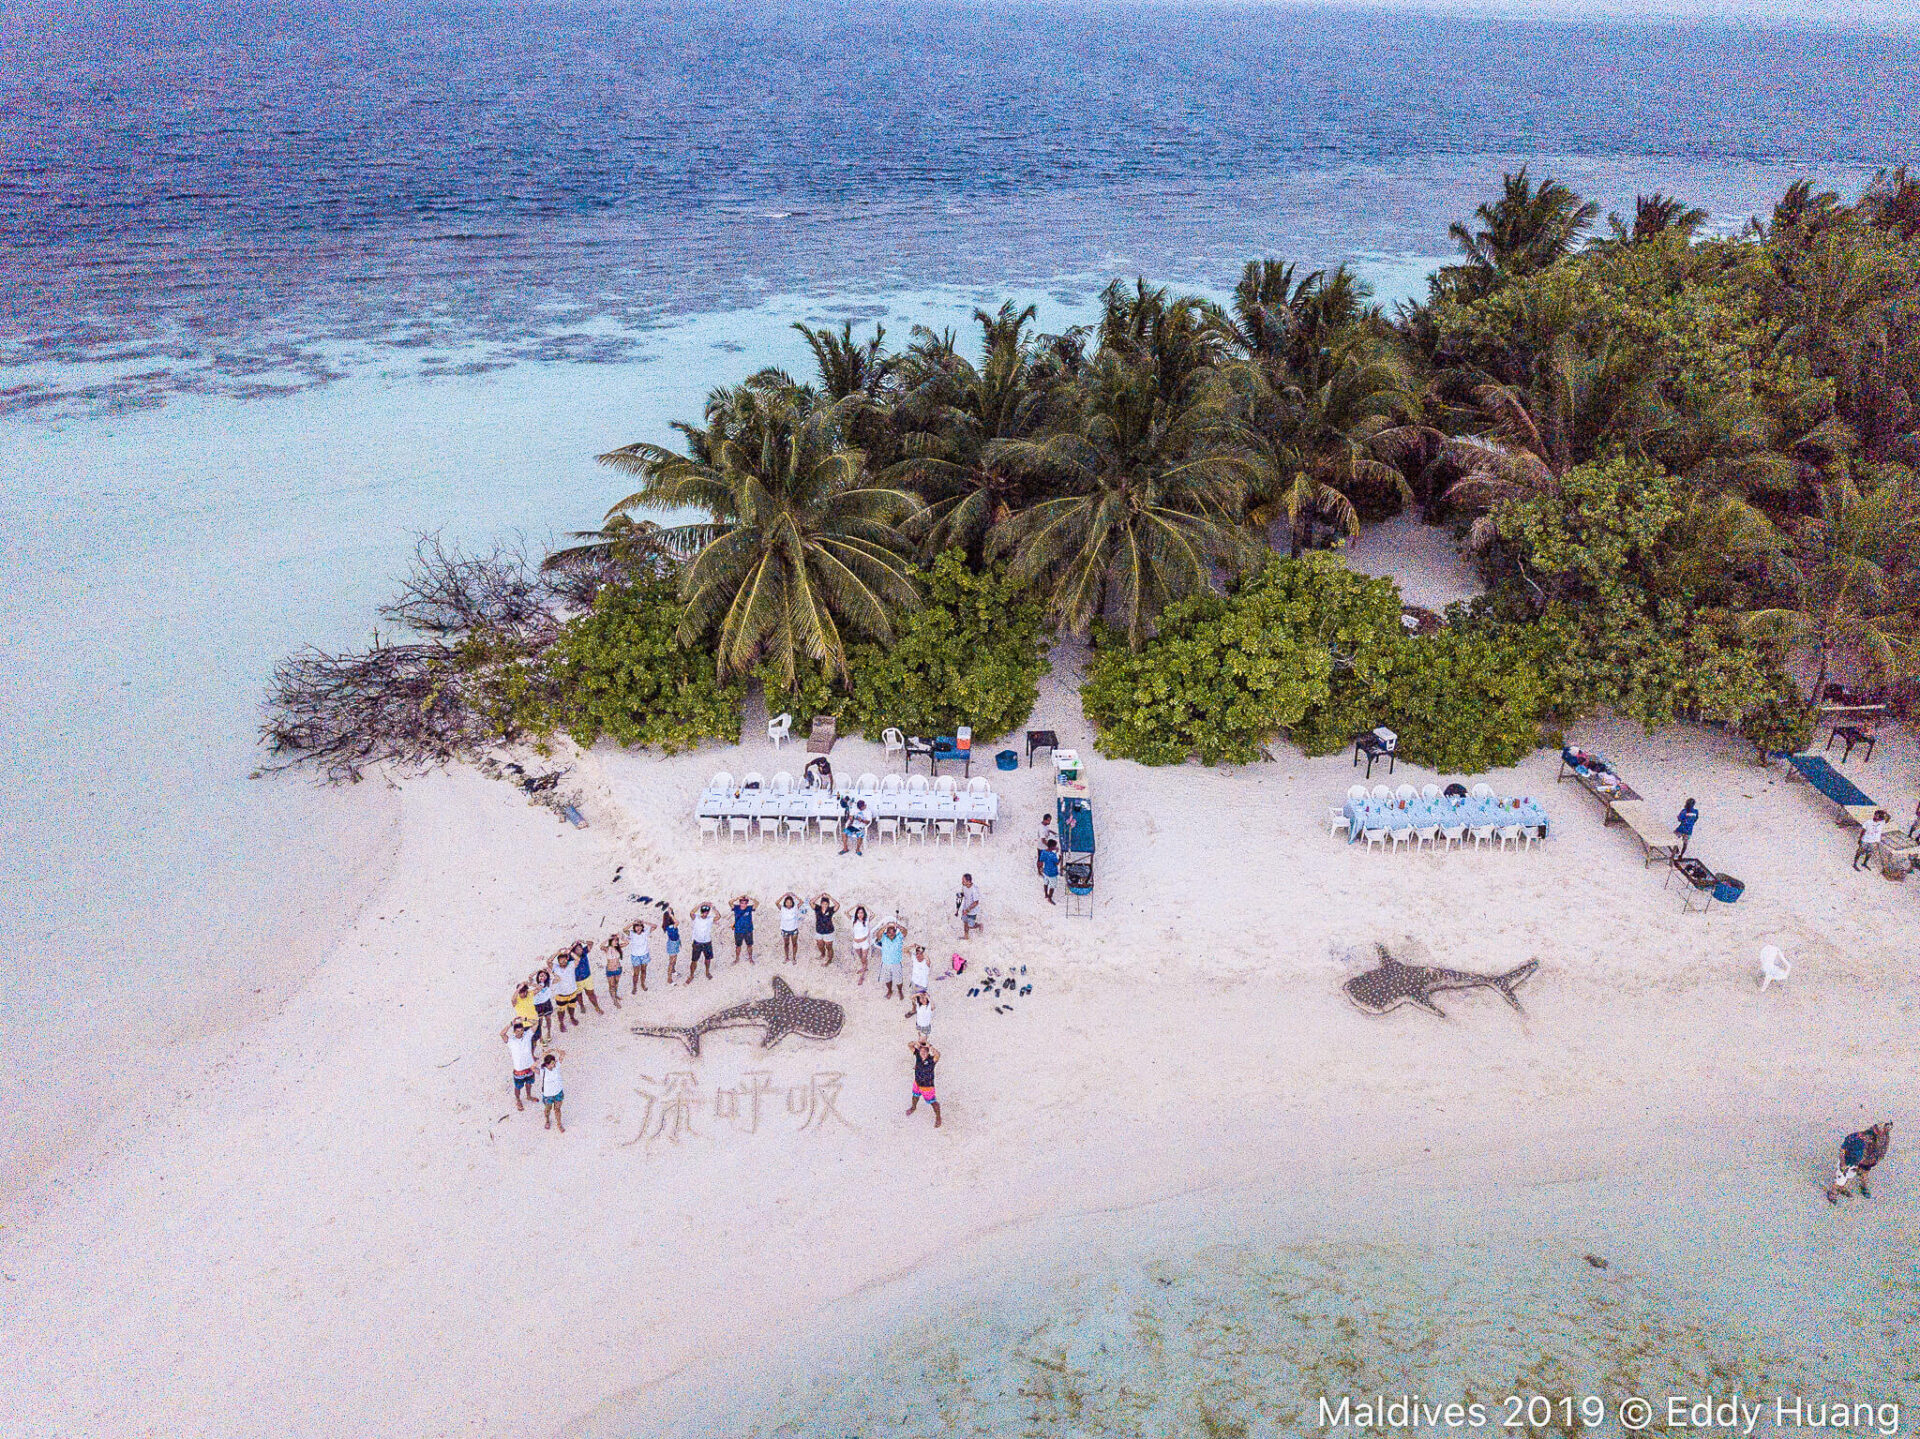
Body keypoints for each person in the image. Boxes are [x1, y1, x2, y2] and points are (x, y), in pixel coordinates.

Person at [1827, 1121, 1893, 1202]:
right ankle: (1832, 1193)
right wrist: (1843, 1163)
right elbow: (1843, 1150)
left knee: (1857, 1175)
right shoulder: (1857, 1138)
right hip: (1851, 1162)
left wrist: (1877, 1159)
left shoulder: (1885, 1138)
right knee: (1841, 1179)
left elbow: (1882, 1150)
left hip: (1866, 1161)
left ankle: (1856, 1187)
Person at [501, 1019, 539, 1111]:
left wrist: (525, 1019)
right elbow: (502, 1034)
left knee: (529, 1083)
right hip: (519, 1069)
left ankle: (529, 1096)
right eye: (517, 1031)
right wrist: (510, 1024)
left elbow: (536, 1023)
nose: (520, 1032)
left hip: (530, 1067)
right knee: (518, 1087)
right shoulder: (511, 1041)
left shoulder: (527, 1035)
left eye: (522, 1030)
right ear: (514, 1032)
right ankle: (518, 1099)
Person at [906, 1039, 942, 1128]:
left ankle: (938, 1117)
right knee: (915, 1096)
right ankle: (913, 1107)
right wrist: (917, 1043)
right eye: (921, 1051)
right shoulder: (918, 1055)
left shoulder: (931, 1060)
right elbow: (909, 1045)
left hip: (927, 1086)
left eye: (924, 1052)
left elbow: (938, 1055)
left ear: (928, 1052)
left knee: (933, 1103)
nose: (922, 1053)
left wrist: (929, 1046)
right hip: (917, 1083)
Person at [549, 949, 582, 1031]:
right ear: (558, 961)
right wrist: (557, 952)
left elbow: (578, 959)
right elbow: (549, 961)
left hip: (572, 992)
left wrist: (569, 952)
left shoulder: (571, 964)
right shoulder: (555, 967)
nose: (563, 961)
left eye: (564, 959)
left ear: (567, 959)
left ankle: (572, 1017)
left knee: (572, 1007)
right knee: (561, 1011)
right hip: (561, 995)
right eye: (560, 960)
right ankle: (561, 1022)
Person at [687, 903, 717, 983]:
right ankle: (691, 975)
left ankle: (707, 972)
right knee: (694, 960)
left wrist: (713, 907)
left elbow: (719, 917)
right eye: (704, 912)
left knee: (708, 959)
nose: (705, 914)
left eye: (707, 912)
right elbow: (691, 913)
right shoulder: (696, 917)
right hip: (697, 942)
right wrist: (700, 904)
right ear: (701, 911)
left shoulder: (710, 918)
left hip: (707, 942)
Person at [572, 939, 603, 1016]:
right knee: (579, 995)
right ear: (573, 951)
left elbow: (591, 943)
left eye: (580, 948)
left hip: (587, 978)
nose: (580, 950)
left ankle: (597, 1006)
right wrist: (572, 946)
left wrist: (583, 941)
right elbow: (565, 952)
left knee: (591, 994)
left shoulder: (584, 952)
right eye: (577, 949)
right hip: (577, 980)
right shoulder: (570, 957)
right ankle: (582, 1006)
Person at [539, 1050, 567, 1133]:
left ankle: (559, 1123)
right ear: (547, 1064)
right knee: (547, 1109)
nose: (554, 1064)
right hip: (548, 1095)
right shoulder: (543, 1071)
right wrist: (542, 1056)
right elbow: (532, 1067)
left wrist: (555, 1050)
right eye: (552, 1063)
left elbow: (563, 1054)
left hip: (558, 1092)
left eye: (554, 1062)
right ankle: (547, 1120)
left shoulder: (556, 1066)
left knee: (558, 1109)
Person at [877, 919, 906, 999]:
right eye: (889, 932)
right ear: (886, 933)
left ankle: (900, 991)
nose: (891, 934)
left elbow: (905, 932)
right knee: (887, 979)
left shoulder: (899, 937)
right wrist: (886, 926)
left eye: (893, 931)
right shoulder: (884, 938)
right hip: (885, 963)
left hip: (896, 963)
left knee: (899, 980)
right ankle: (890, 991)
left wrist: (898, 926)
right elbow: (878, 935)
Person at [812, 892, 838, 965]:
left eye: (826, 904)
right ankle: (823, 954)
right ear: (821, 904)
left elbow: (837, 905)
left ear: (828, 904)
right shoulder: (817, 908)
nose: (824, 905)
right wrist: (819, 895)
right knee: (820, 945)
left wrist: (829, 897)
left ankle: (829, 960)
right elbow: (811, 902)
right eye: (823, 903)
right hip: (819, 931)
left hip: (828, 932)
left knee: (829, 947)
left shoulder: (831, 910)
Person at [731, 894, 757, 965]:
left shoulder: (749, 908)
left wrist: (751, 897)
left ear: (747, 904)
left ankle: (750, 958)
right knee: (738, 946)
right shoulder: (736, 908)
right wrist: (737, 897)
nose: (743, 905)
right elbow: (730, 903)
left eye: (745, 903)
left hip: (748, 930)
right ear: (739, 903)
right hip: (738, 931)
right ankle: (737, 959)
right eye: (742, 903)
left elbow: (757, 903)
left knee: (749, 945)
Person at [601, 932, 624, 1008]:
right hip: (610, 970)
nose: (616, 942)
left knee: (616, 983)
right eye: (615, 940)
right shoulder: (607, 949)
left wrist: (620, 937)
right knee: (612, 985)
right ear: (611, 941)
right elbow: (601, 946)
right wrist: (609, 938)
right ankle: (614, 1001)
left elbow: (627, 943)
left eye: (617, 940)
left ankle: (615, 994)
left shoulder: (618, 947)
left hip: (618, 969)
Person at [849, 906, 872, 984]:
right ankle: (864, 967)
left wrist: (864, 906)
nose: (860, 914)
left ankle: (862, 976)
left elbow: (873, 914)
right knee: (861, 958)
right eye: (858, 913)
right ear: (856, 914)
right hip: (856, 943)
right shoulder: (853, 920)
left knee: (864, 957)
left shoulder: (866, 920)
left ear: (864, 913)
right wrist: (855, 906)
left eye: (862, 912)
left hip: (864, 942)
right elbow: (846, 912)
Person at [531, 968, 555, 1040]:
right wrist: (538, 970)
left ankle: (549, 1032)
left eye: (544, 976)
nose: (542, 977)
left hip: (546, 1003)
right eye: (541, 976)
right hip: (537, 1005)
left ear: (547, 977)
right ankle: (541, 1036)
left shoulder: (549, 982)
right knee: (540, 1022)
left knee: (548, 1018)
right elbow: (530, 976)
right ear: (538, 976)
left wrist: (551, 972)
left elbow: (558, 978)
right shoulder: (534, 982)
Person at [779, 893, 803, 964]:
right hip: (785, 930)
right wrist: (784, 895)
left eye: (790, 902)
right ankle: (786, 957)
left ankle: (794, 958)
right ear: (785, 903)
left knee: (794, 944)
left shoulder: (795, 908)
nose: (788, 904)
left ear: (792, 903)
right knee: (786, 944)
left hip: (794, 930)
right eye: (787, 902)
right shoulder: (782, 908)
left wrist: (794, 896)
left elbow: (801, 901)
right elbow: (776, 902)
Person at [662, 906, 682, 984]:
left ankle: (673, 970)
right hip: (672, 944)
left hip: (675, 942)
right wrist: (671, 914)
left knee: (675, 958)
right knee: (671, 961)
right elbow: (677, 922)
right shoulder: (670, 927)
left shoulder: (670, 925)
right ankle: (669, 979)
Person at [1039, 838, 1061, 905]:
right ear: (1052, 847)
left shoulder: (1043, 852)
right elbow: (1057, 863)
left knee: (1046, 883)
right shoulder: (1053, 855)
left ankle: (1046, 894)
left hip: (1045, 871)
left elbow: (1041, 861)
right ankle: (1050, 898)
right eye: (1054, 846)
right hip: (1052, 873)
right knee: (1052, 886)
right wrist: (1060, 858)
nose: (1055, 847)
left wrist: (1041, 868)